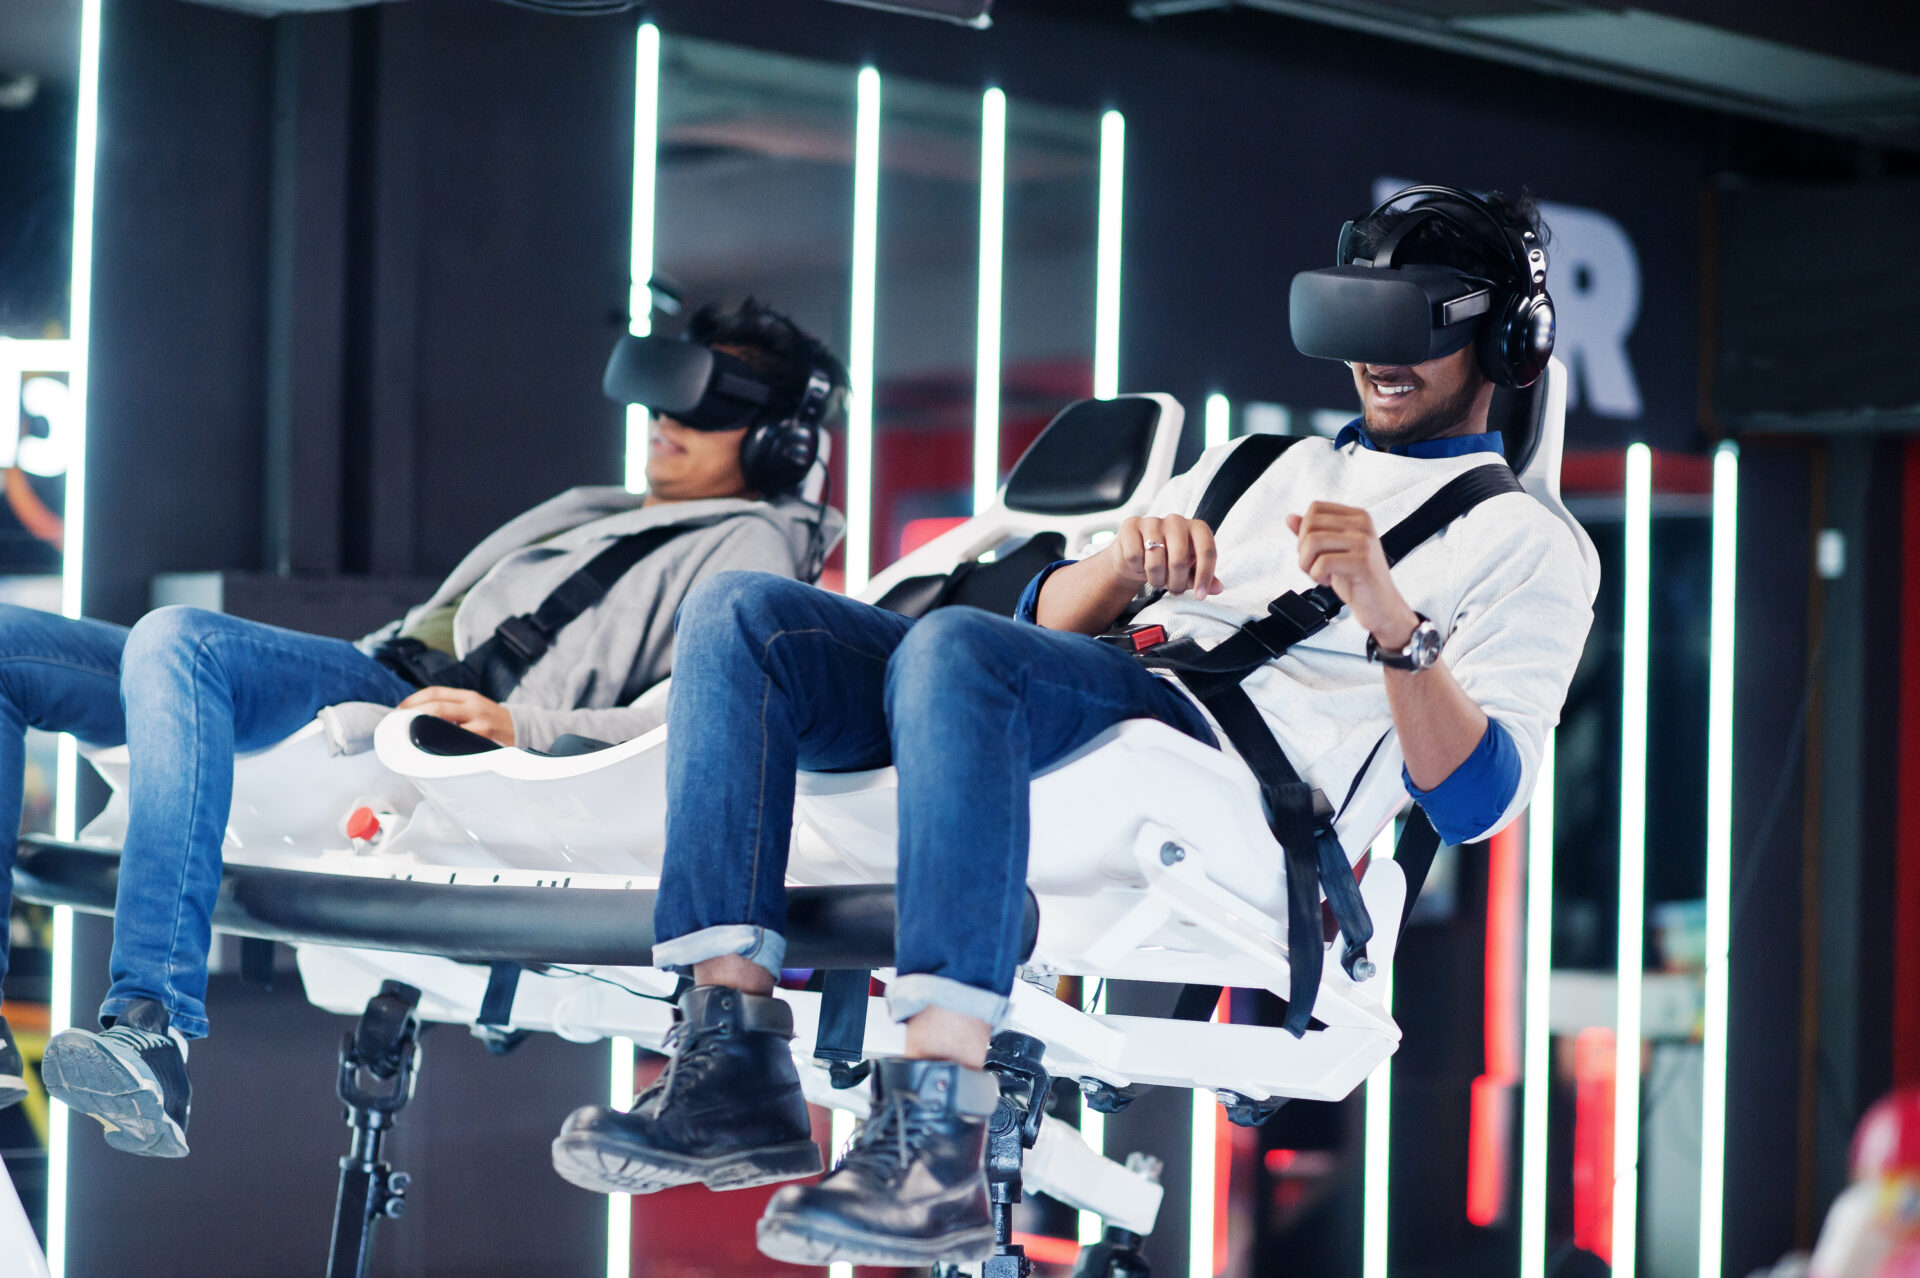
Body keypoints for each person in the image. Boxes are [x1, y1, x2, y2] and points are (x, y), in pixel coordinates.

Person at [546, 187, 1594, 1269]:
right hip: (1093, 690)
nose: (1382, 360)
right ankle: (730, 1060)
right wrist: (1119, 567)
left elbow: (1477, 800)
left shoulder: (1526, 542)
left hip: (1225, 776)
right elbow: (1032, 628)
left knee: (956, 651)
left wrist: (1391, 620)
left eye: (1417, 331)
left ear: (1507, 346)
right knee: (742, 616)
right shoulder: (1259, 463)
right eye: (1363, 325)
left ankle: (938, 1129)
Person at [0, 299, 847, 1158]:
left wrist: (524, 723)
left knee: (180, 637)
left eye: (707, 410)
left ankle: (150, 1023)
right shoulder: (602, 505)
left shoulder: (754, 546)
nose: (665, 422)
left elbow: (701, 723)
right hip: (379, 669)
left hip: (413, 711)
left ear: (782, 444)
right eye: (665, 400)